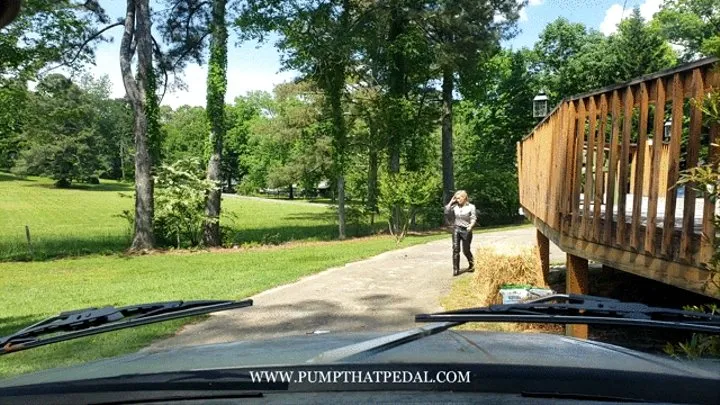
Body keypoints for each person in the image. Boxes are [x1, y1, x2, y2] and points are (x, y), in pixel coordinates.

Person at [444, 190, 477, 276]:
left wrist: (470, 226)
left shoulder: (471, 207)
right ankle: (456, 269)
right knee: (455, 249)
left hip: (466, 230)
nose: (457, 200)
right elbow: (446, 211)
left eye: (459, 198)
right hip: (456, 229)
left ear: (464, 198)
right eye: (456, 198)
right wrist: (451, 201)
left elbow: (473, 218)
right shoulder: (454, 206)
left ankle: (472, 264)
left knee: (466, 250)